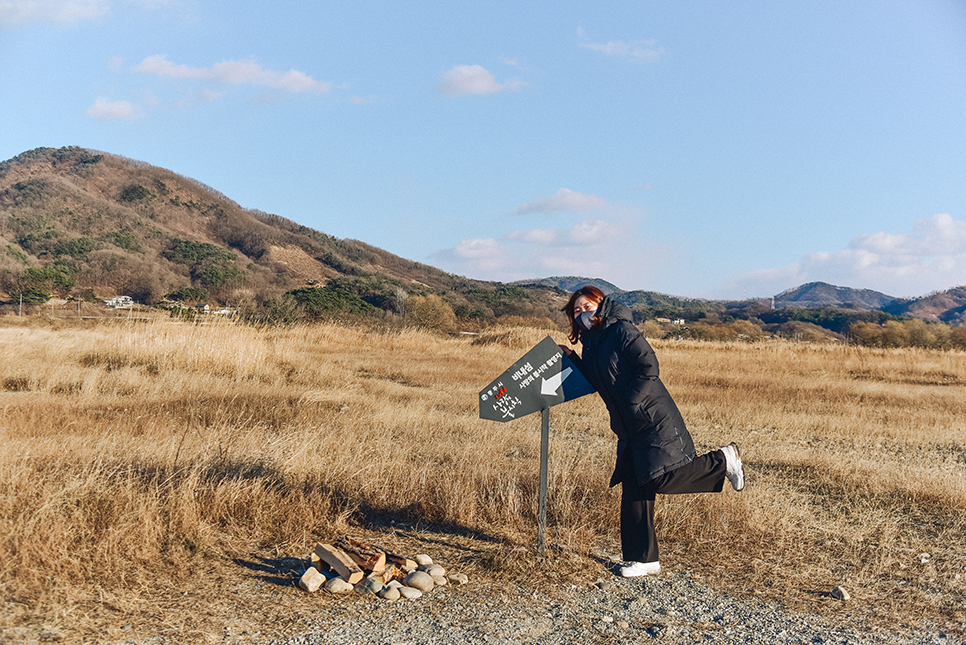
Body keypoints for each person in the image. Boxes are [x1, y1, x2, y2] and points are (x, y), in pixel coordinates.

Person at [559, 286, 745, 577]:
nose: (583, 312)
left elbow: (648, 366)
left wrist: (632, 402)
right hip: (628, 425)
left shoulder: (621, 330)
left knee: (660, 477)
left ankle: (723, 460)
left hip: (652, 416)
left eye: (587, 305)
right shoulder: (591, 343)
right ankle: (644, 559)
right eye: (577, 310)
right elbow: (599, 381)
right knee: (635, 485)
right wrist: (573, 358)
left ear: (601, 304)